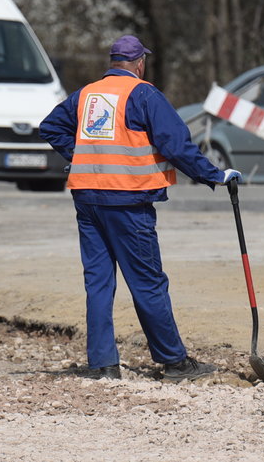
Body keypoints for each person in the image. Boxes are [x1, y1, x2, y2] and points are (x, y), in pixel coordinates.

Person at [39, 35, 242, 381]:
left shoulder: (86, 95)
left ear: (112, 62)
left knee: (98, 282)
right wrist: (216, 175)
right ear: (139, 63)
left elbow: (51, 127)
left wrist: (79, 155)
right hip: (128, 201)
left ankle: (103, 364)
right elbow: (176, 145)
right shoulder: (144, 94)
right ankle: (174, 361)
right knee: (147, 281)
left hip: (88, 199)